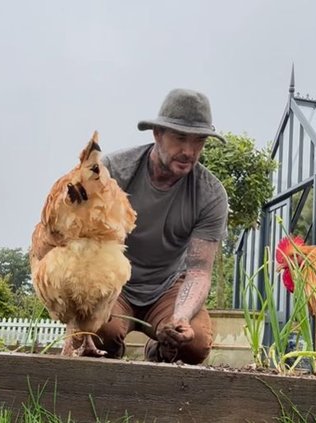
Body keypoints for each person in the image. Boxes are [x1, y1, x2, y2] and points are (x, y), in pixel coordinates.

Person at [97, 88, 228, 365]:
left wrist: (180, 316)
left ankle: (158, 353)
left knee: (195, 343)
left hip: (168, 288)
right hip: (115, 284)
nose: (189, 151)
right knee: (98, 332)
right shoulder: (114, 172)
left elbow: (199, 271)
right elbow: (87, 242)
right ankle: (111, 355)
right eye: (180, 138)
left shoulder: (210, 194)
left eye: (199, 141)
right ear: (157, 134)